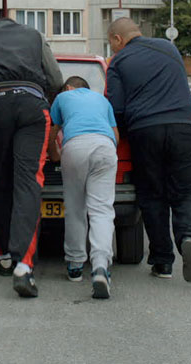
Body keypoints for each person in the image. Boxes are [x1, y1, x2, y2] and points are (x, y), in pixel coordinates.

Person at [0, 16, 63, 298]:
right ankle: (24, 266)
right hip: (33, 107)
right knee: (29, 183)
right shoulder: (36, 35)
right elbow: (56, 79)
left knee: (0, 181)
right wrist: (47, 102)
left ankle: (4, 253)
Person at [105, 17, 191, 283]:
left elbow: (116, 108)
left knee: (152, 196)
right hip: (186, 128)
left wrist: (122, 136)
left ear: (118, 39)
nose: (113, 50)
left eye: (111, 45)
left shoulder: (119, 61)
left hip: (146, 131)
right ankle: (189, 236)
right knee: (189, 191)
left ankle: (163, 262)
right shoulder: (168, 48)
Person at [50, 76, 118, 300]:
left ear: (69, 88)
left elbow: (53, 131)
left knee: (75, 207)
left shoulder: (62, 97)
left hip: (75, 146)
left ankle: (75, 265)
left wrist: (54, 154)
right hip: (105, 146)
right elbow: (115, 134)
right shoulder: (102, 100)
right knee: (101, 210)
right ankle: (100, 267)